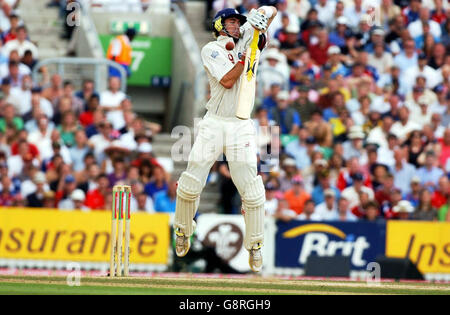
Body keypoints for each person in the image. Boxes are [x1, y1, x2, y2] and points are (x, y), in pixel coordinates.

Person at [173, 6, 278, 273]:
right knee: (191, 179)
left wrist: (262, 17)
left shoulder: (249, 38)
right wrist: (244, 56)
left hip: (241, 123)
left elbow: (271, 10)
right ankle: (183, 229)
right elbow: (229, 81)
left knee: (251, 188)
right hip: (214, 121)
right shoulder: (212, 49)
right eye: (231, 21)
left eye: (238, 22)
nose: (235, 25)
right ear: (220, 25)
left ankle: (255, 245)